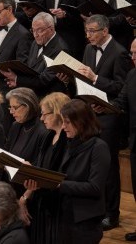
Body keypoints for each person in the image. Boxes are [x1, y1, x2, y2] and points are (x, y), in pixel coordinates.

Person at [73, 14, 132, 230]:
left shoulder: (120, 53)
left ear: (105, 31)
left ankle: (112, 213)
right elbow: (84, 78)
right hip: (90, 113)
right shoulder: (89, 49)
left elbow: (122, 87)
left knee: (108, 167)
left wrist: (96, 79)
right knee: (90, 164)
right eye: (86, 31)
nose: (87, 36)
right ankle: (96, 209)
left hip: (109, 117)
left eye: (92, 31)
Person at [57, 99, 110, 244]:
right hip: (65, 215)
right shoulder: (70, 142)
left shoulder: (99, 147)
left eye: (67, 122)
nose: (63, 127)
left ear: (81, 122)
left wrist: (60, 185)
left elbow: (95, 187)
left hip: (85, 221)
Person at [22, 92, 70, 244]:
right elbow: (41, 167)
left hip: (57, 207)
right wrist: (25, 197)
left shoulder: (68, 140)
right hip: (41, 202)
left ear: (57, 113)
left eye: (44, 114)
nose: (41, 118)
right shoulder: (48, 136)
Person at [0, 12, 68, 97]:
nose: (35, 35)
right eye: (33, 30)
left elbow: (44, 80)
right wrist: (18, 82)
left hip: (48, 98)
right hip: (32, 93)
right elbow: (30, 70)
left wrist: (17, 79)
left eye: (39, 30)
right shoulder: (35, 43)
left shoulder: (61, 50)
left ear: (51, 29)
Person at [110, 39, 136, 241]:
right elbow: (121, 102)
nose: (133, 58)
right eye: (132, 53)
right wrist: (105, 106)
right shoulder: (132, 74)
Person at [5, 88, 49, 165]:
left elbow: (40, 164)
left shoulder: (43, 132)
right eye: (10, 107)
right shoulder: (15, 126)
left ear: (27, 106)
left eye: (14, 108)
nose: (11, 112)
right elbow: (6, 152)